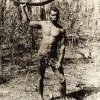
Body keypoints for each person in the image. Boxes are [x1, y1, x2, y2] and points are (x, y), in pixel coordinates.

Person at [23, 5, 66, 100]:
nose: (55, 17)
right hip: (42, 55)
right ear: (49, 15)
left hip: (53, 57)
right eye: (53, 15)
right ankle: (40, 97)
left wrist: (60, 61)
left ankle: (63, 97)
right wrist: (23, 9)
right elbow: (29, 23)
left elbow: (62, 47)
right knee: (40, 77)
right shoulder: (43, 24)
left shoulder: (61, 30)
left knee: (62, 79)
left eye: (57, 15)